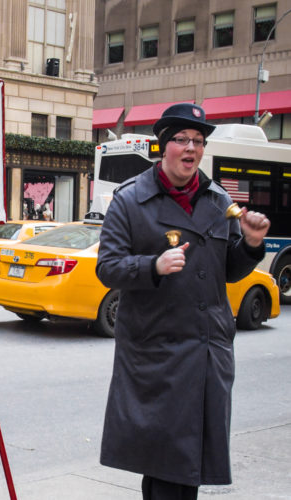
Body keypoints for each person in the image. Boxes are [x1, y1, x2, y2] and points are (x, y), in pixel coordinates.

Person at [96, 103, 270, 500]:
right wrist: (153, 266)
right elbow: (107, 268)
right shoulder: (129, 200)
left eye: (198, 141)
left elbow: (227, 271)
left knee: (180, 467)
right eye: (181, 140)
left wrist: (253, 245)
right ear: (164, 146)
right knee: (167, 466)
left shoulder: (218, 200)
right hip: (156, 355)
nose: (191, 149)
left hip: (207, 353)